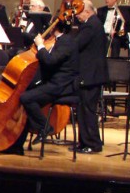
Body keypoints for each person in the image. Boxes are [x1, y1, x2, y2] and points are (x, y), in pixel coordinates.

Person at [7, 16, 79, 154]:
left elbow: (51, 61)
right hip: (52, 82)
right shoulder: (59, 41)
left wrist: (40, 45)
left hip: (60, 86)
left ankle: (45, 127)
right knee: (25, 103)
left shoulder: (67, 42)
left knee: (26, 98)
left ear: (55, 27)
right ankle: (16, 146)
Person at [73, 0, 108, 153]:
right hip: (91, 75)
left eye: (79, 13)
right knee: (84, 109)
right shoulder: (94, 23)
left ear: (87, 11)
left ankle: (92, 144)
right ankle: (85, 142)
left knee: (87, 110)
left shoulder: (90, 25)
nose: (77, 16)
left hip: (90, 75)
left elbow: (77, 45)